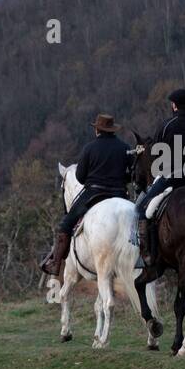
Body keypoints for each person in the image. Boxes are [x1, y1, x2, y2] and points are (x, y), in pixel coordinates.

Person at [40, 113, 133, 277]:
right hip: (120, 194)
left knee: (66, 224)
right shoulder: (125, 148)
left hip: (93, 193)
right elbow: (132, 174)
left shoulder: (89, 148)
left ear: (97, 130)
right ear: (112, 130)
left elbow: (80, 177)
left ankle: (55, 264)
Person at [135, 88, 185, 266]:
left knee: (141, 209)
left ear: (174, 105)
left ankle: (147, 254)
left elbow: (157, 159)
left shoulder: (166, 126)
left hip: (171, 178)